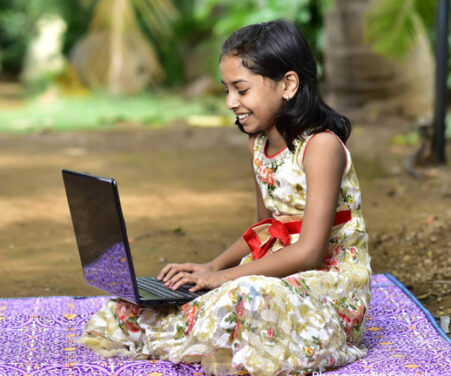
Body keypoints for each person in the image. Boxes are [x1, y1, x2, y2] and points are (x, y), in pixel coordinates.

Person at [80, 19, 371, 376]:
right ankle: (203, 329)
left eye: (242, 89)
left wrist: (225, 279)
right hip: (277, 273)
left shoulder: (321, 147)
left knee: (243, 296)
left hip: (330, 283)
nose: (231, 102)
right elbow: (265, 228)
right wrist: (212, 268)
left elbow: (311, 253)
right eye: (226, 90)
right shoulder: (259, 143)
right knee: (141, 306)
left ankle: (214, 336)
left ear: (288, 84)